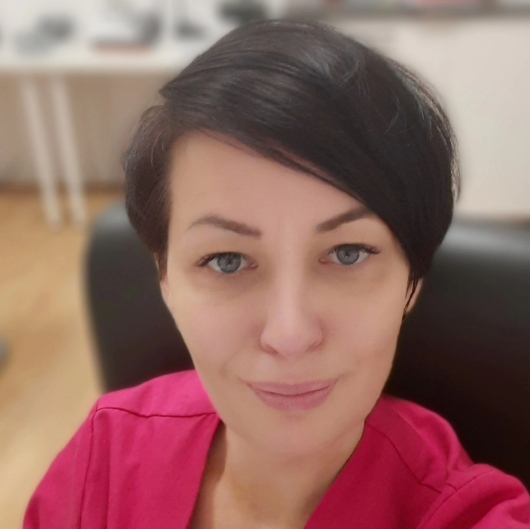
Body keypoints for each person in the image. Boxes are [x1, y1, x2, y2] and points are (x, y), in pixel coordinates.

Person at [24, 19, 530, 529]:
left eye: (348, 253)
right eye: (226, 260)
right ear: (165, 279)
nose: (290, 335)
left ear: (411, 281)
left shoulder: (468, 516)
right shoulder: (106, 458)